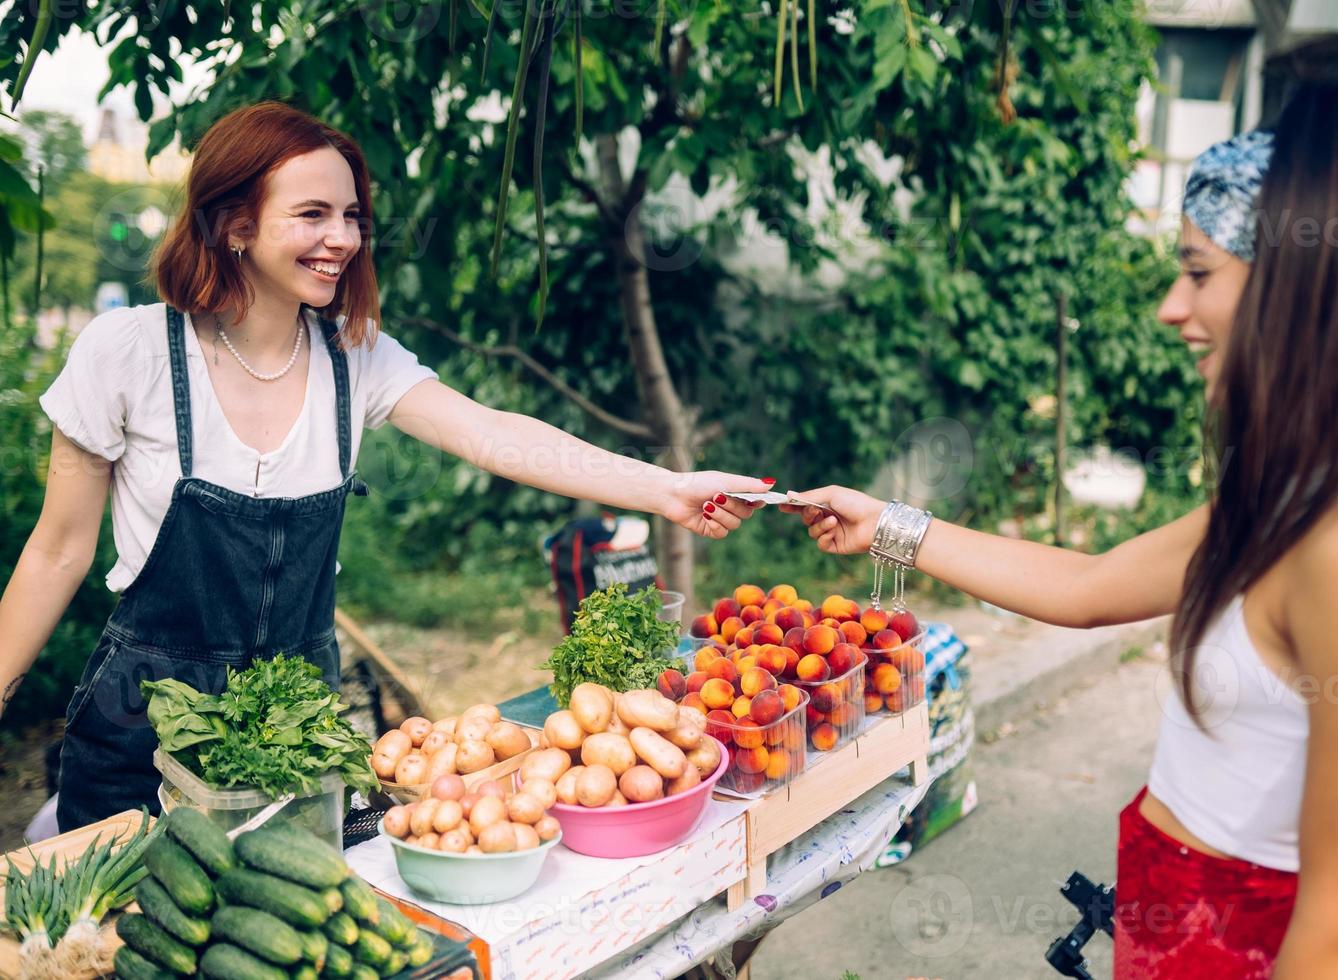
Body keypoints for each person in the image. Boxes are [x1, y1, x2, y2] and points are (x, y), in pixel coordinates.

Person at [784, 80, 1338, 979]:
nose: (1168, 310)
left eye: (1196, 272)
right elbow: (1087, 586)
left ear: (1302, 278)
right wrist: (886, 526)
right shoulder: (1307, 485)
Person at [0, 101, 771, 832]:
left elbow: (493, 435)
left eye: (351, 217)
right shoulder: (126, 352)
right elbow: (58, 550)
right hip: (142, 729)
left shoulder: (352, 358)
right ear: (234, 224)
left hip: (295, 734)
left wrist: (667, 489)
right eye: (312, 215)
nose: (342, 237)